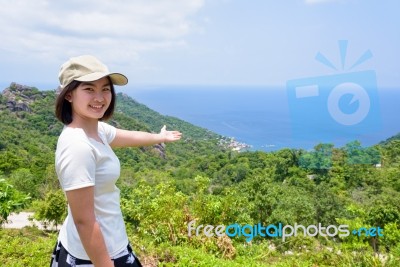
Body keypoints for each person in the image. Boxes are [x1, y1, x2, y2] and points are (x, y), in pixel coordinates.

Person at [50, 55, 182, 267]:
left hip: (110, 243)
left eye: (105, 88)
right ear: (69, 95)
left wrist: (160, 137)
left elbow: (128, 136)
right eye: (89, 89)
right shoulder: (78, 146)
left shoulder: (96, 130)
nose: (100, 97)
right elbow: (84, 221)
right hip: (94, 257)